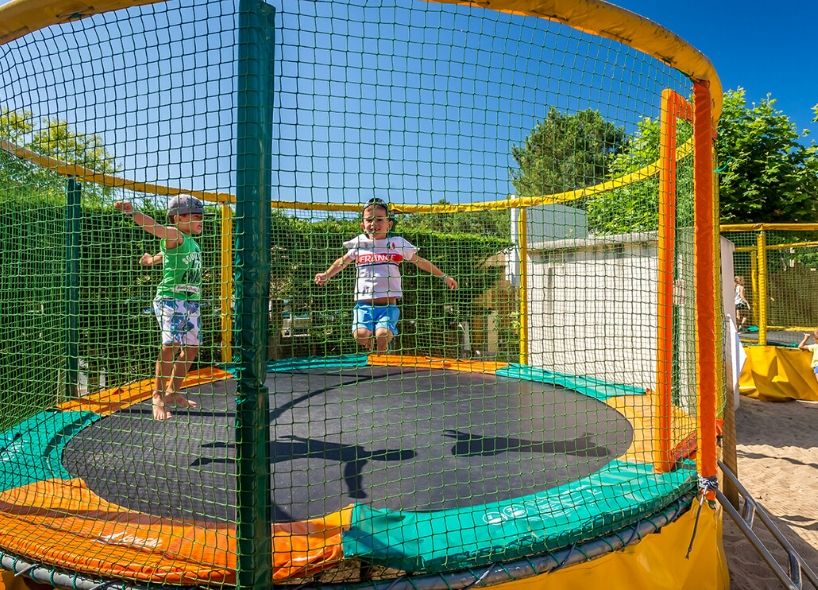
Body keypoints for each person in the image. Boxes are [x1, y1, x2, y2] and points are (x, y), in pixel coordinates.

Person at [314, 198, 458, 353]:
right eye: (369, 220)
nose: (373, 223)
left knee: (382, 335)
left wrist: (444, 276)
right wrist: (327, 274)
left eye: (379, 219)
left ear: (389, 224)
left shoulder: (397, 243)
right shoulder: (359, 243)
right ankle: (368, 340)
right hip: (363, 306)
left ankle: (381, 359)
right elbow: (342, 262)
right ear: (362, 225)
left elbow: (420, 261)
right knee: (360, 336)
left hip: (388, 306)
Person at [115, 194, 204, 421]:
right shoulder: (175, 234)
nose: (200, 220)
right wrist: (132, 213)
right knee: (171, 344)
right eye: (194, 216)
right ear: (177, 219)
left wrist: (149, 261)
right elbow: (155, 228)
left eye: (201, 216)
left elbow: (164, 254)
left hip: (191, 302)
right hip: (170, 299)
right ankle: (158, 395)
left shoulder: (189, 242)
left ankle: (173, 391)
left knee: (192, 348)